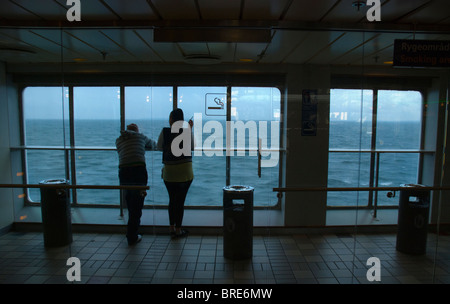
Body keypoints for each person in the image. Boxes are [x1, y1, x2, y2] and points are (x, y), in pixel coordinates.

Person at [116, 123, 156, 245]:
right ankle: (132, 236)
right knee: (137, 204)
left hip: (124, 172)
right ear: (137, 131)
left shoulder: (118, 140)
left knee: (129, 200)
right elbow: (154, 145)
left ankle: (131, 232)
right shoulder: (140, 137)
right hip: (138, 171)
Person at [157, 108, 194, 239]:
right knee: (180, 202)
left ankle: (171, 228)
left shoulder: (165, 131)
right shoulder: (187, 131)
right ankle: (178, 230)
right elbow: (192, 147)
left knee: (172, 200)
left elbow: (159, 146)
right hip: (185, 172)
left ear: (171, 119)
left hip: (170, 172)